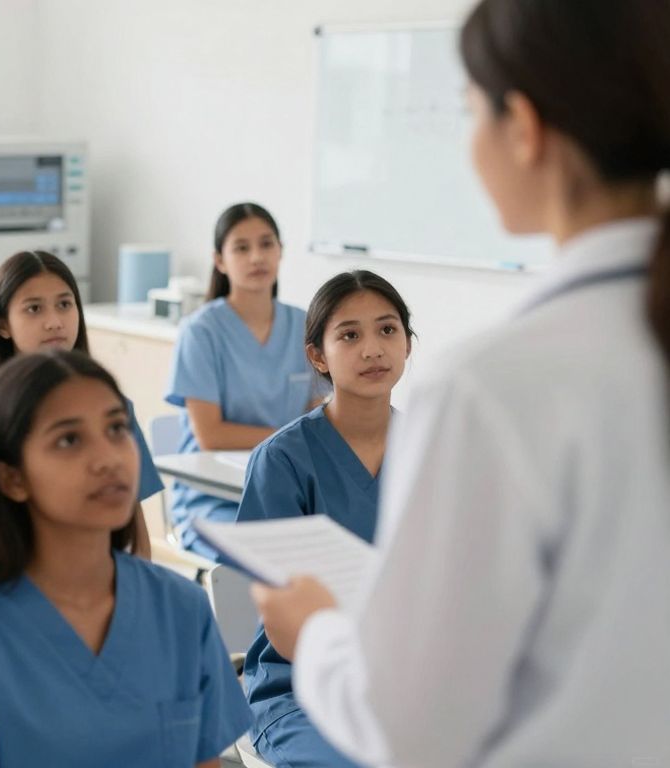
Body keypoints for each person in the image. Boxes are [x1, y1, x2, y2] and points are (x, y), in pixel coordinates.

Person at [252, 1, 670, 765]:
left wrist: (316, 628)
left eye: (471, 112)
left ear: (525, 128)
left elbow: (413, 728)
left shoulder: (493, 388)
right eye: (350, 334)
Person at [0, 350, 250, 767]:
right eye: (69, 440)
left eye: (116, 429)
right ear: (12, 478)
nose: (108, 458)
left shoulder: (182, 608)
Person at [234, 271, 413, 767]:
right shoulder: (284, 461)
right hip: (303, 692)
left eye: (387, 330)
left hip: (411, 685)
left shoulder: (433, 449)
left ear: (408, 343)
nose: (373, 349)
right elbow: (286, 628)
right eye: (349, 335)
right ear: (318, 355)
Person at [0, 250, 162, 552]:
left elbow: (135, 534)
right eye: (34, 309)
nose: (54, 322)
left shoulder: (111, 406)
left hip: (102, 583)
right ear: (2, 325)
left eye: (64, 304)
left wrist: (139, 593)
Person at [165, 204, 325, 555]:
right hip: (214, 499)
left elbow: (320, 423)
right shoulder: (201, 332)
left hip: (286, 489)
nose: (256, 257)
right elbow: (211, 435)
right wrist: (290, 441)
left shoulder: (305, 327)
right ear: (219, 260)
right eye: (241, 247)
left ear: (281, 251)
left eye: (266, 244)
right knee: (270, 554)